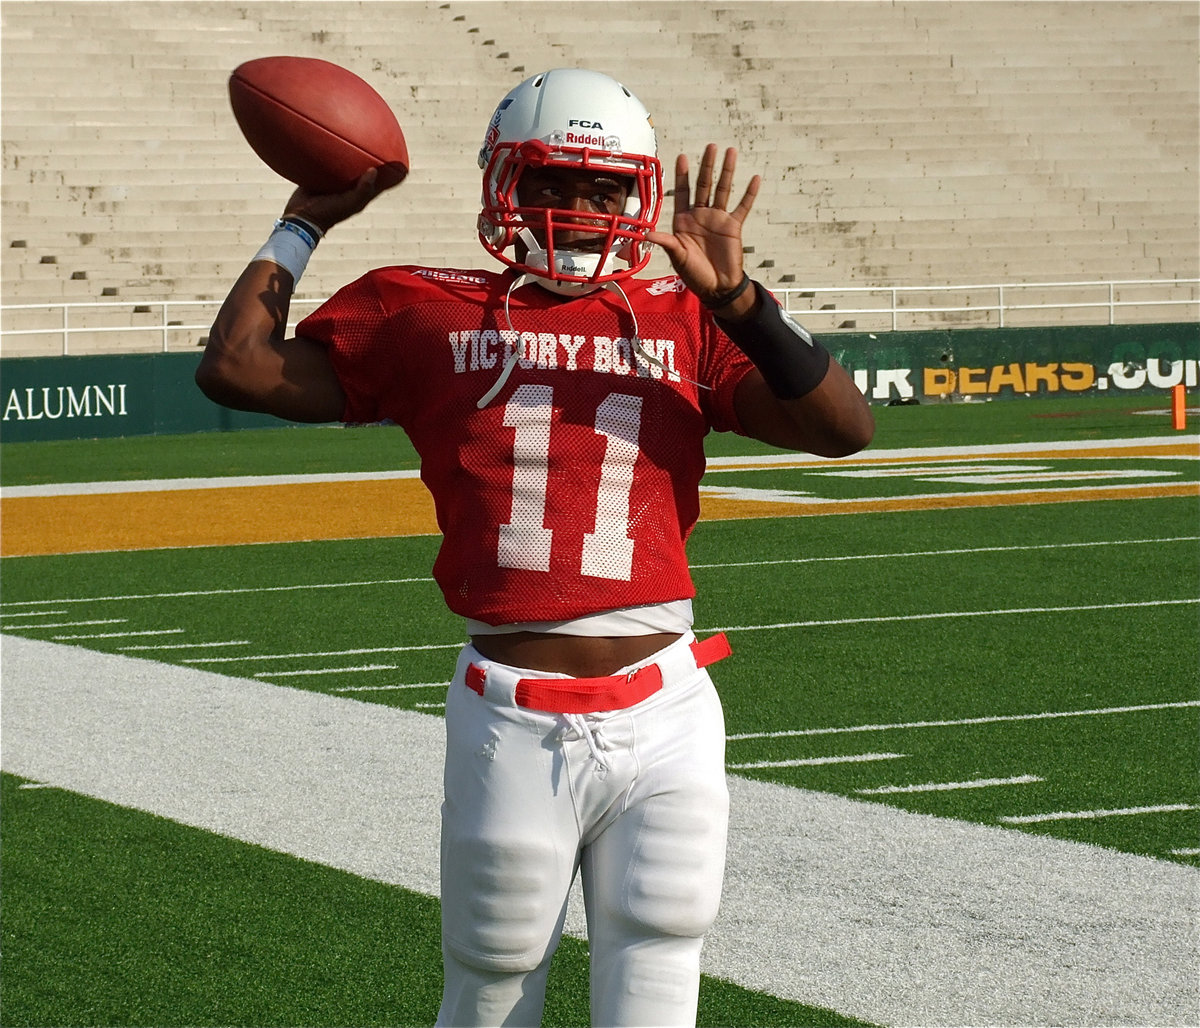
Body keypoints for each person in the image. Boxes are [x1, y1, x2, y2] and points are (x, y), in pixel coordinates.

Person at [197, 67, 873, 1027]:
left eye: (602, 187)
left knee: (661, 960)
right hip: (512, 711)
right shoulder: (421, 308)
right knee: (493, 974)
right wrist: (304, 221)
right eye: (552, 180)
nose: (576, 208)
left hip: (667, 703)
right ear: (504, 182)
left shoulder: (686, 319)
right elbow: (235, 369)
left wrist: (742, 304)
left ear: (639, 199)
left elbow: (844, 430)